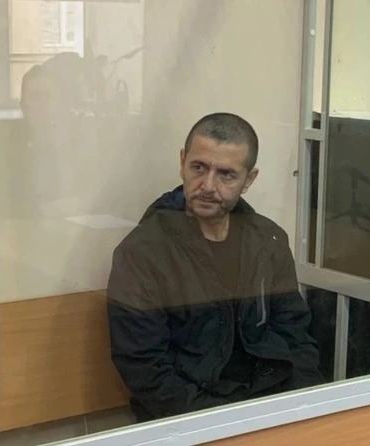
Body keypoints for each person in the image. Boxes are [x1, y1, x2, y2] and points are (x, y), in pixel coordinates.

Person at [107, 113, 324, 422]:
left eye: (226, 175)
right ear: (182, 162)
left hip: (270, 403)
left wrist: (306, 407)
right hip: (190, 418)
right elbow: (145, 369)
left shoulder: (269, 240)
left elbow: (296, 335)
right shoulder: (142, 253)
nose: (208, 186)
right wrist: (223, 423)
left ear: (249, 180)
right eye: (198, 168)